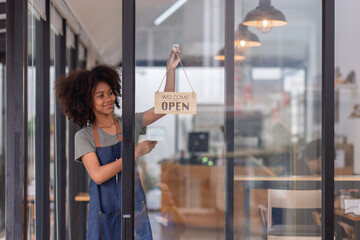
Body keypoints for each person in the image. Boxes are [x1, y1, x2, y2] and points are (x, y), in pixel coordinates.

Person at [55, 45, 181, 240]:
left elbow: (164, 107)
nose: (108, 99)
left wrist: (170, 70)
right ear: (86, 101)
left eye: (110, 92)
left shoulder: (128, 123)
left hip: (135, 208)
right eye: (100, 95)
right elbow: (97, 175)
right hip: (105, 214)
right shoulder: (84, 136)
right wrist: (134, 153)